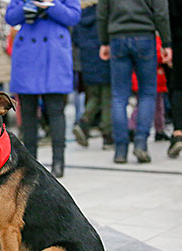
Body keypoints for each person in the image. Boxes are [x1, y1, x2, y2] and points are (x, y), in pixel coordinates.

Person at [5, 0, 81, 178]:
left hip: (53, 54)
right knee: (29, 113)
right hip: (27, 55)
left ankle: (58, 162)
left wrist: (50, 5)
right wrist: (28, 7)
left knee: (56, 110)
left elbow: (74, 16)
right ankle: (30, 163)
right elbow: (10, 17)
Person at [97, 0, 172, 163]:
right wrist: (166, 42)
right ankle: (141, 144)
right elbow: (161, 12)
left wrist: (104, 41)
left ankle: (120, 150)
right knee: (147, 93)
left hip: (117, 36)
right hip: (145, 35)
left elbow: (102, 12)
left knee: (119, 96)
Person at [72, 0, 112, 150]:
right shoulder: (103, 12)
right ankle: (108, 136)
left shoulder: (79, 15)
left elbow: (75, 38)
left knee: (94, 95)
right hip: (104, 57)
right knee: (107, 97)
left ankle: (83, 122)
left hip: (87, 60)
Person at [129, 35, 170, 143]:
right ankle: (158, 129)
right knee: (156, 107)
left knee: (142, 105)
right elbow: (158, 55)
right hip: (154, 78)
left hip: (140, 78)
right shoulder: (153, 39)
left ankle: (133, 127)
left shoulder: (134, 40)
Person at [167, 0, 182, 158]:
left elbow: (169, 15)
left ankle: (178, 132)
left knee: (178, 87)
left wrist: (167, 44)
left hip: (179, 42)